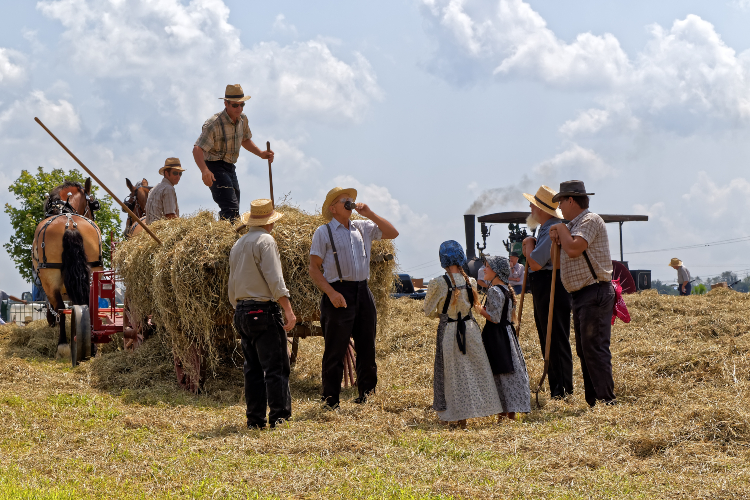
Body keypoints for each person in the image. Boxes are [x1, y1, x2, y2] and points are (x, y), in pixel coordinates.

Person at [309, 187, 399, 409]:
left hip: (362, 291)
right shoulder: (324, 232)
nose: (350, 203)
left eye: (351, 200)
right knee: (335, 350)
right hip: (339, 291)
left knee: (367, 347)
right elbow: (313, 268)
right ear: (333, 208)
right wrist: (331, 293)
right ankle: (331, 402)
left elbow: (393, 232)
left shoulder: (363, 227)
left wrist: (369, 213)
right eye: (344, 201)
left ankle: (367, 396)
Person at [229, 199, 297, 429]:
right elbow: (275, 279)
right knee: (276, 366)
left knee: (253, 369)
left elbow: (232, 285)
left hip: (241, 311)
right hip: (263, 310)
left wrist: (240, 308)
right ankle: (280, 419)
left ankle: (254, 420)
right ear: (269, 222)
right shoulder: (266, 241)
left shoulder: (238, 245)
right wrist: (288, 310)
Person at [549, 180, 616, 407]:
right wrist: (556, 238)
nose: (559, 207)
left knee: (594, 347)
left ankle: (606, 400)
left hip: (594, 291)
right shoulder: (571, 226)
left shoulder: (590, 220)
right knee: (584, 349)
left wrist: (560, 230)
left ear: (570, 200)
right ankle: (594, 400)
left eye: (560, 202)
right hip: (580, 295)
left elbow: (575, 248)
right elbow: (557, 258)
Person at [423, 241, 501, 428]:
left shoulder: (438, 283)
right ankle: (472, 413)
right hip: (470, 329)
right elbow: (473, 306)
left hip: (449, 330)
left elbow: (428, 311)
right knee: (474, 370)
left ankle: (454, 416)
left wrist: (442, 314)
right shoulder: (471, 281)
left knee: (451, 372)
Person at [521, 185, 574, 399]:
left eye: (533, 205)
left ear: (541, 209)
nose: (530, 208)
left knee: (554, 337)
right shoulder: (544, 228)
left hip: (552, 286)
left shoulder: (552, 227)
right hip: (544, 286)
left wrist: (527, 248)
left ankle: (561, 390)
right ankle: (557, 388)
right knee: (547, 336)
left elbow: (534, 263)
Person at [193, 84, 275, 221]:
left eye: (242, 105)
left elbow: (245, 140)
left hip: (230, 167)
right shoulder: (213, 123)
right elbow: (197, 148)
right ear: (226, 104)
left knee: (234, 207)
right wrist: (204, 171)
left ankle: (227, 235)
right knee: (230, 207)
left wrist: (261, 153)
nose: (239, 108)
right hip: (214, 166)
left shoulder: (243, 119)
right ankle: (226, 237)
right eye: (235, 105)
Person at [476, 255, 531, 421]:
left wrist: (478, 308)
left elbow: (494, 317)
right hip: (507, 334)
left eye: (487, 267)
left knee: (499, 372)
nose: (484, 269)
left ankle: (502, 414)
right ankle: (510, 414)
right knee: (508, 372)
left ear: (496, 272)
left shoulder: (493, 290)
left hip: (496, 335)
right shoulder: (507, 289)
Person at [145, 158, 183, 224]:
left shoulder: (153, 189)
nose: (178, 176)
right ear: (166, 173)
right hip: (162, 230)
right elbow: (170, 216)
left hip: (150, 229)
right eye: (175, 173)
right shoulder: (168, 189)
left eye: (180, 174)